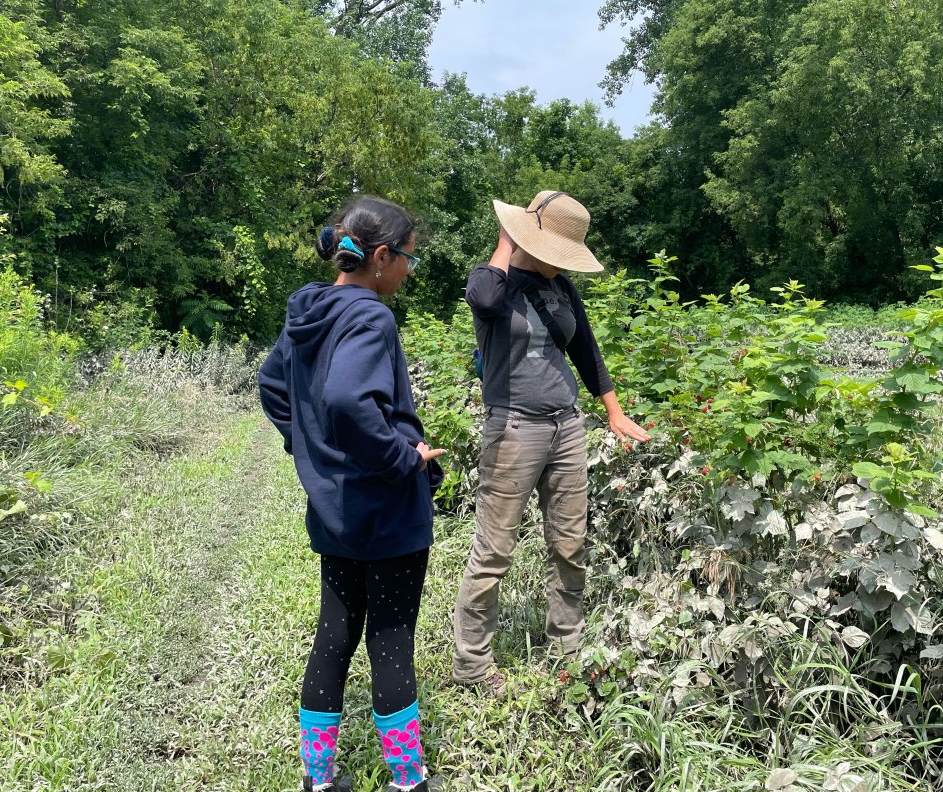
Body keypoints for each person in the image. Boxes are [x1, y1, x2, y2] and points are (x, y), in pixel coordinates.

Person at [258, 195, 445, 792]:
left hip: (333, 509)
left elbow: (272, 386)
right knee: (391, 639)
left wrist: (311, 446)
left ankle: (319, 779)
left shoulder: (307, 312)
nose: (410, 271)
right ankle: (408, 781)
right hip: (387, 511)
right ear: (381, 256)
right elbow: (346, 399)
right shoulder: (370, 315)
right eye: (408, 258)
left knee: (334, 636)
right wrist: (401, 458)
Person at [451, 190, 651, 692]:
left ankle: (568, 645)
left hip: (566, 426)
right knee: (494, 549)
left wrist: (614, 411)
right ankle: (473, 665)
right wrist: (508, 237)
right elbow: (483, 300)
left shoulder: (561, 288)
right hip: (514, 428)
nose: (555, 262)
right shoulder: (491, 280)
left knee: (570, 542)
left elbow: (586, 349)